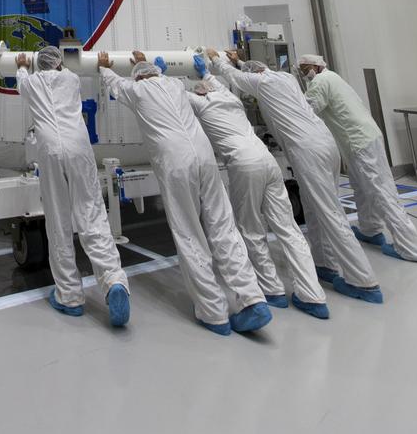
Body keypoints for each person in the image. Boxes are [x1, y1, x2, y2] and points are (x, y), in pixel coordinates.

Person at [98, 52, 271, 336]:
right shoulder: (176, 86)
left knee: (189, 231)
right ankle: (251, 299)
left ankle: (213, 312)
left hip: (176, 162)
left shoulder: (137, 90)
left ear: (139, 76)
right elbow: (156, 76)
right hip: (204, 155)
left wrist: (105, 67)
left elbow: (114, 83)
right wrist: (151, 67)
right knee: (223, 226)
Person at [208, 50, 383, 303]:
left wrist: (215, 61)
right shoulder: (285, 78)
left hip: (307, 150)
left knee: (330, 212)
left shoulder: (262, 82)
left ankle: (363, 280)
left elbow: (234, 77)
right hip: (326, 144)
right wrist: (240, 60)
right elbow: (249, 71)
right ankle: (325, 264)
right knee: (314, 207)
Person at [187, 75, 328, 318]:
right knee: (288, 228)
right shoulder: (231, 99)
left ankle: (272, 290)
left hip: (245, 164)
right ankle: (313, 296)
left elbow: (173, 94)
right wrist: (205, 72)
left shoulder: (201, 103)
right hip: (267, 161)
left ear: (201, 94)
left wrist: (154, 74)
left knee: (251, 228)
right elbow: (216, 86)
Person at [15, 46, 130, 328]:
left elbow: (22, 81)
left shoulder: (30, 83)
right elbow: (61, 69)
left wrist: (20, 64)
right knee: (91, 213)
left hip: (51, 151)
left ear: (37, 65)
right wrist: (101, 62)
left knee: (58, 221)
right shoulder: (71, 80)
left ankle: (70, 297)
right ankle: (114, 281)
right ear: (58, 64)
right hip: (79, 147)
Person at [299, 54, 417, 263]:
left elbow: (308, 110)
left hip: (359, 142)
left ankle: (410, 248)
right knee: (361, 188)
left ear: (315, 66)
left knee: (381, 192)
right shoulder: (333, 77)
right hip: (362, 138)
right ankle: (370, 229)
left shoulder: (320, 81)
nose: (303, 73)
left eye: (305, 69)